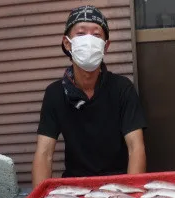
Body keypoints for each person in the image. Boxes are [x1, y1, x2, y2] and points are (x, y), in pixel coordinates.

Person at [32, 5, 147, 188]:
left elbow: (136, 147)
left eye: (96, 35)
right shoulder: (54, 93)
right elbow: (44, 153)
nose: (88, 40)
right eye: (80, 33)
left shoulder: (122, 89)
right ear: (67, 43)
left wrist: (132, 193)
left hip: (118, 185)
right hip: (74, 187)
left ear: (105, 46)